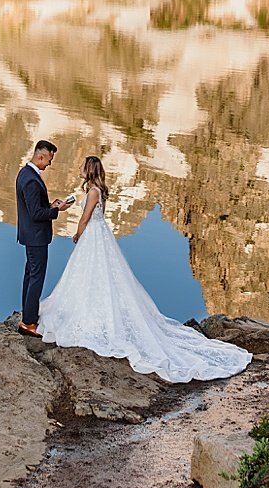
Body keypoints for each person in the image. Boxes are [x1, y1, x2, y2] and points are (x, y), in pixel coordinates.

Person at [38, 155, 250, 382]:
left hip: (92, 236)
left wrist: (78, 235)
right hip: (100, 236)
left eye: (82, 167)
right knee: (102, 276)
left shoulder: (92, 192)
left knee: (90, 274)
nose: (79, 169)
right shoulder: (98, 190)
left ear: (89, 170)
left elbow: (86, 218)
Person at [15, 139, 71, 337]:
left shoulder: (25, 173)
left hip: (31, 235)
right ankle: (29, 323)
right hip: (36, 237)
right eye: (49, 159)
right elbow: (35, 214)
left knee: (30, 275)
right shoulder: (30, 179)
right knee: (36, 277)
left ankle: (27, 316)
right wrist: (56, 210)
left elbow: (35, 207)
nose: (50, 163)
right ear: (40, 156)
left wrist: (49, 204)